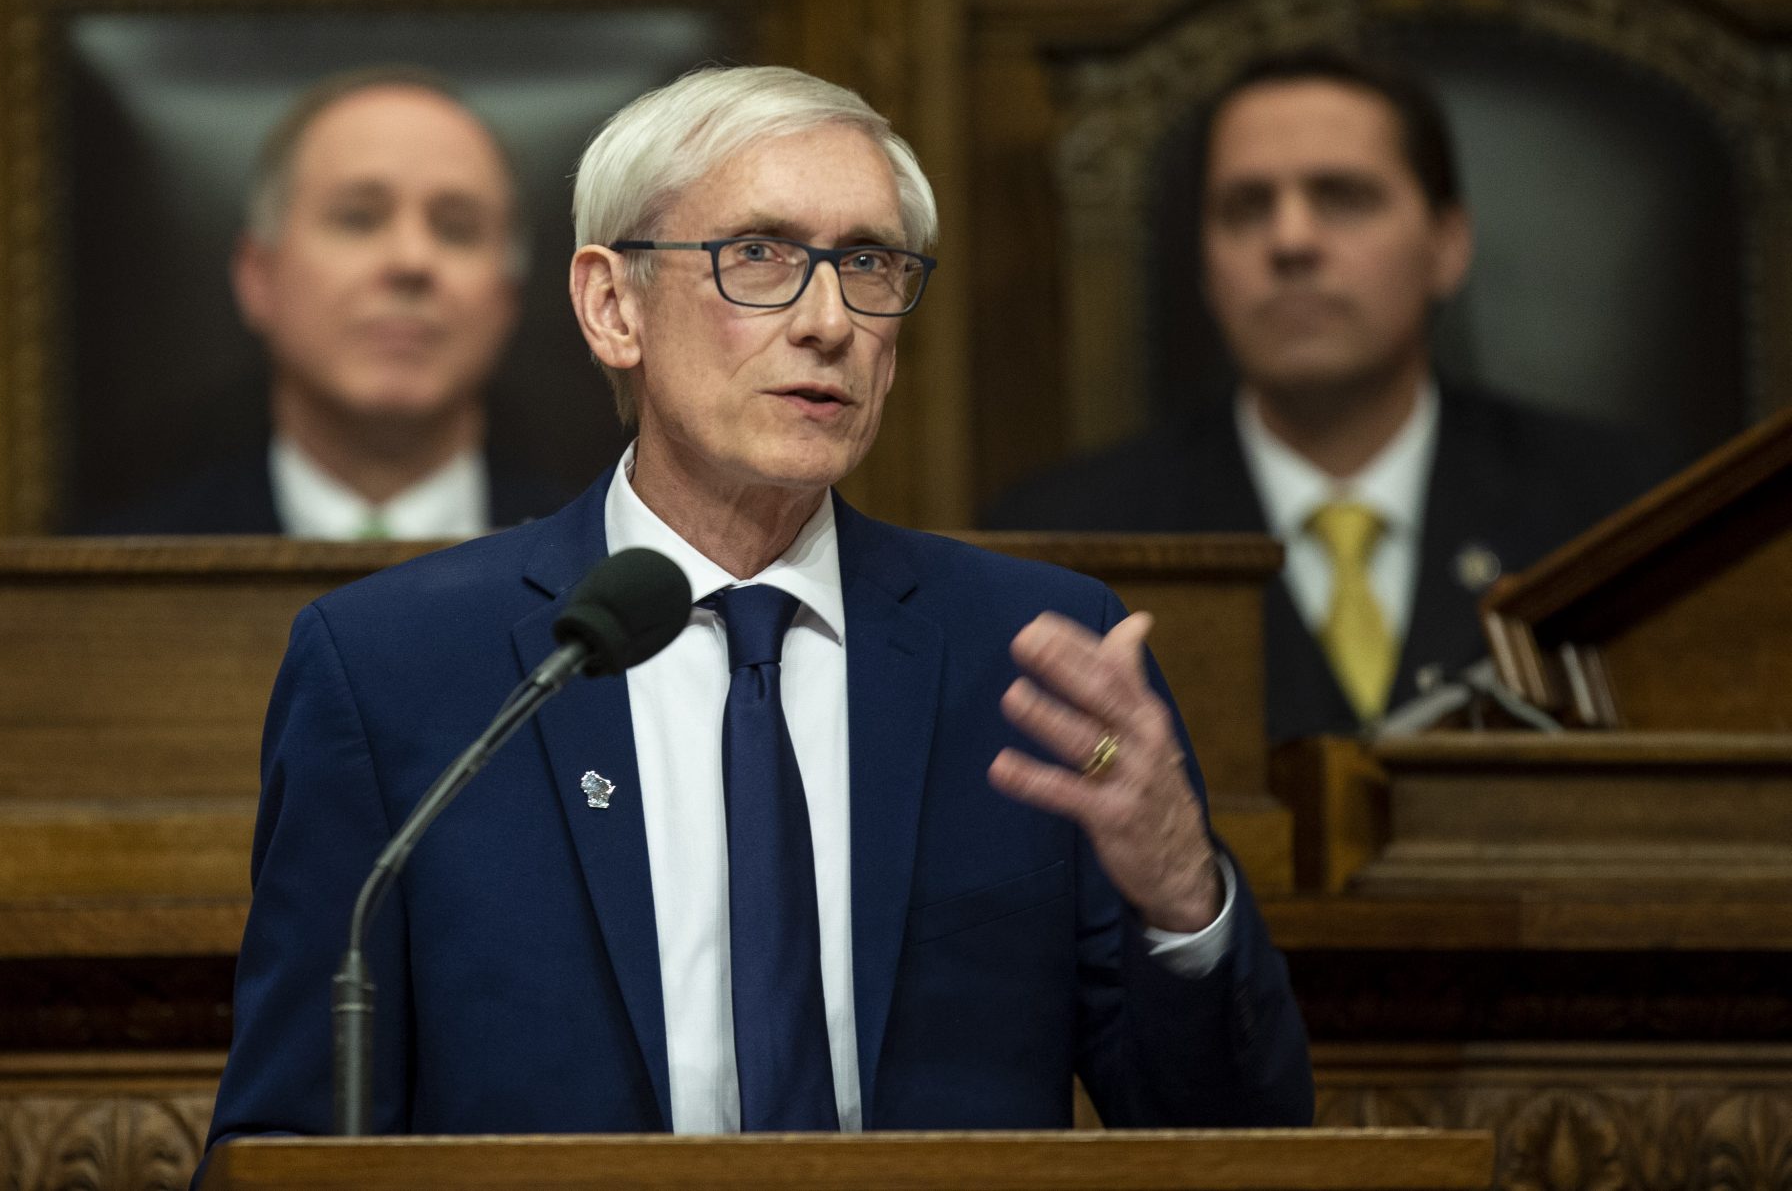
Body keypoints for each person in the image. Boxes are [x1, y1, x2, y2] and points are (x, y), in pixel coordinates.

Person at [201, 66, 1311, 1158]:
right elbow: (287, 1141)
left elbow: (1229, 1146)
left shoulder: (1030, 658)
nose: (829, 319)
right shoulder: (397, 669)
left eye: (869, 264)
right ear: (611, 305)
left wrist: (1183, 903)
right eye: (762, 257)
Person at [984, 49, 1680, 742]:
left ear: (1448, 244)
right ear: (1205, 264)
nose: (1290, 241)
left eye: (1343, 198)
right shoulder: (1065, 542)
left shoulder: (1618, 514)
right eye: (1246, 207)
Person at [95, 67, 563, 538]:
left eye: (457, 229)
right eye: (358, 219)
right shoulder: (116, 579)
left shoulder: (606, 569)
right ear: (259, 278)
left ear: (508, 296)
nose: (411, 260)